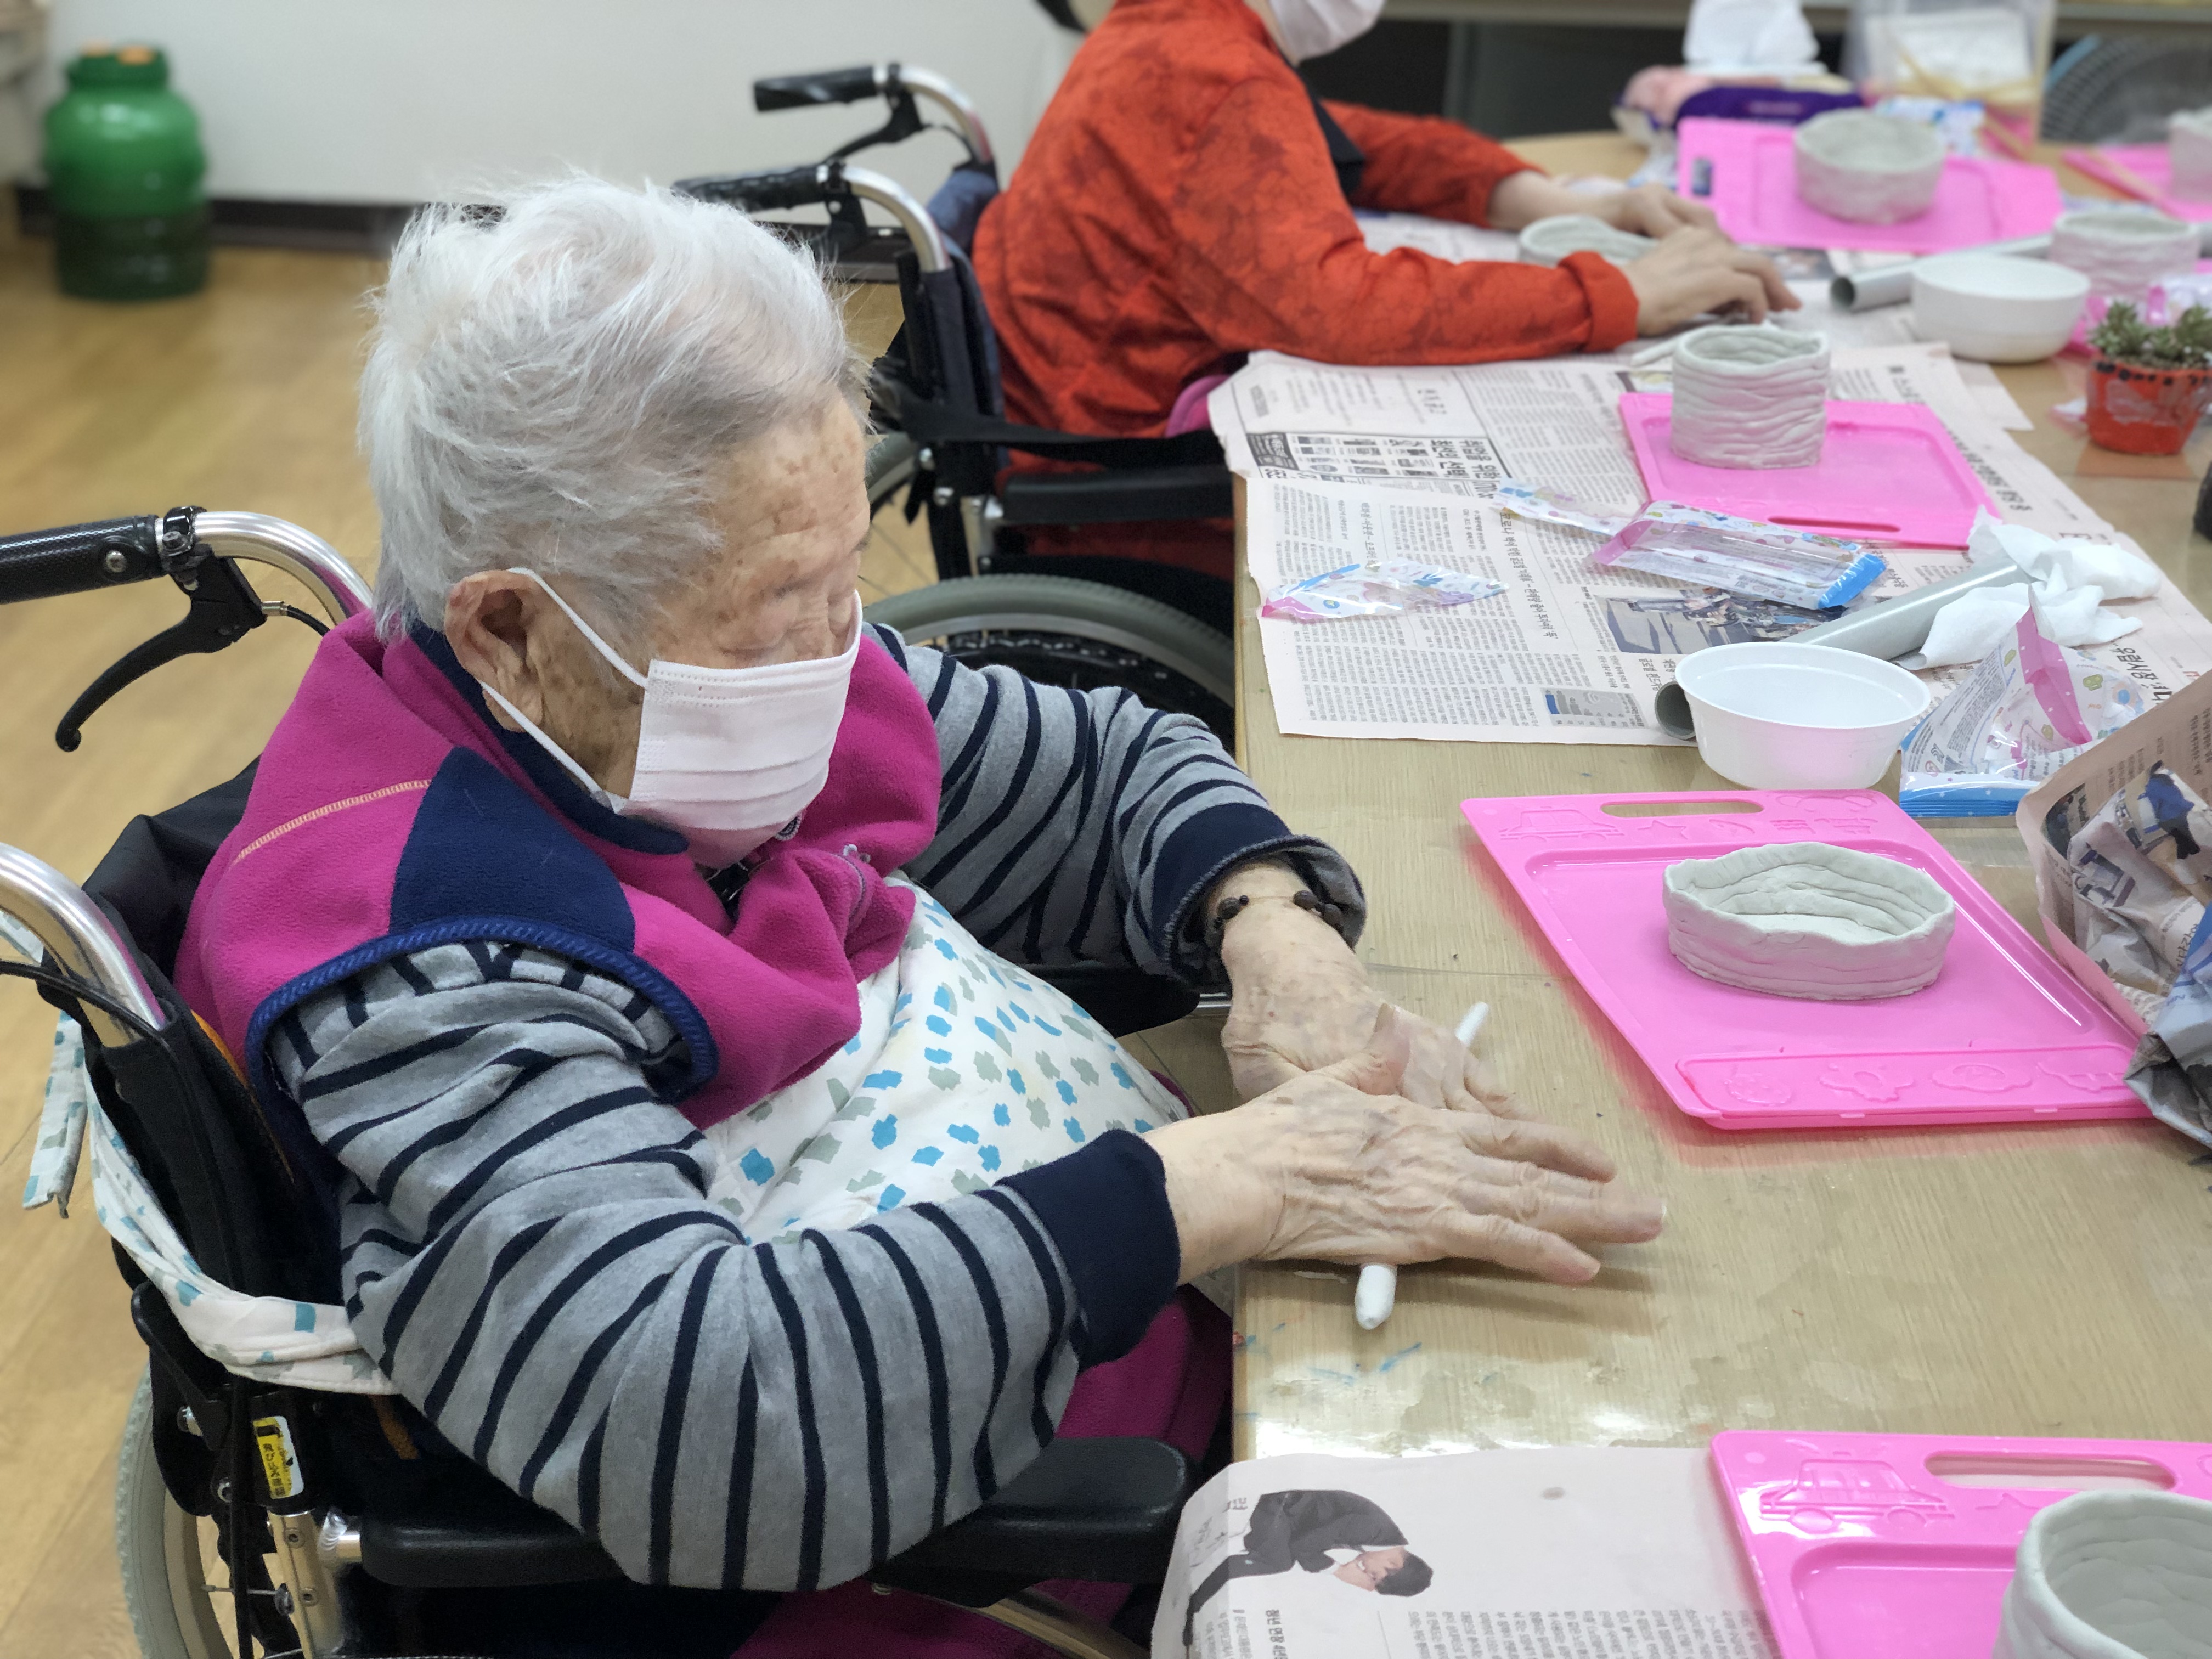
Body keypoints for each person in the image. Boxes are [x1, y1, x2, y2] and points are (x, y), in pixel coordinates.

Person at [172, 177, 1662, 1650]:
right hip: (941, 1562)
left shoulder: (678, 702)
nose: (848, 652)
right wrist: (1223, 1185)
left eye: (848, 583)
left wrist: (1272, 929)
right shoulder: (427, 976)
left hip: (1194, 1362)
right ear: (509, 628)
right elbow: (708, 1413)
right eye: (789, 607)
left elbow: (1111, 766)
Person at [972, 0, 1798, 575]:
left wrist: (1541, 198)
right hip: (1130, 504)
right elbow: (1342, 307)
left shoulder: (1170, 25)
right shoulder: (1221, 75)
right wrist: (1620, 296)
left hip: (1078, 444)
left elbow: (1345, 139)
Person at [1182, 1489, 1431, 1649]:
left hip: (1289, 1521)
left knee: (1279, 1559)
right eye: (1374, 1575)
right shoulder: (1372, 1530)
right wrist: (1339, 1571)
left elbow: (1311, 1543)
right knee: (1279, 1562)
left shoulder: (1378, 1537)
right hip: (1279, 1509)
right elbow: (1303, 1548)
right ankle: (1198, 1600)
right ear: (1394, 1564)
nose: (1365, 1572)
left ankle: (1237, 1551)